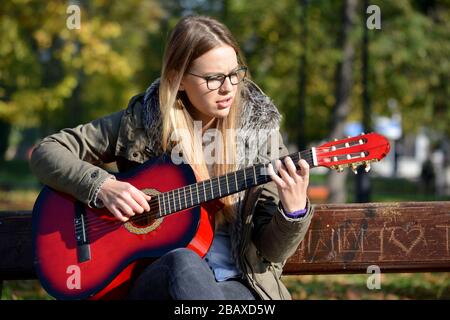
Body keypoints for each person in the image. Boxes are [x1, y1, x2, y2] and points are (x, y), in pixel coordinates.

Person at [30, 15, 314, 300]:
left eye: (234, 73)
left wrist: (292, 212)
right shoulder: (141, 122)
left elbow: (271, 252)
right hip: (157, 281)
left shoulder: (261, 137)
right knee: (184, 263)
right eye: (214, 78)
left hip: (238, 283)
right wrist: (102, 186)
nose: (228, 87)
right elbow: (48, 151)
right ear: (177, 79)